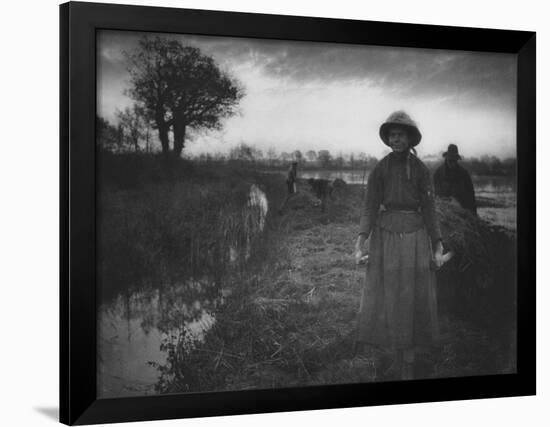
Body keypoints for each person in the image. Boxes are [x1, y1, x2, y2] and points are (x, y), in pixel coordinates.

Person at [353, 111, 446, 380]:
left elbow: (430, 209)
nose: (396, 139)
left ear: (409, 139)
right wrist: (361, 241)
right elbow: (370, 207)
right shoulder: (379, 169)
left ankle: (410, 358)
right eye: (392, 135)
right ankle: (393, 348)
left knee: (412, 294)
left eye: (401, 135)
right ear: (388, 138)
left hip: (416, 236)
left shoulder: (420, 171)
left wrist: (437, 244)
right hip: (385, 237)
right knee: (388, 292)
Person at [433, 144, 477, 215]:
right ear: (446, 159)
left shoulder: (464, 174)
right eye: (450, 160)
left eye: (454, 161)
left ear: (457, 160)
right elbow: (435, 193)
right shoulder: (438, 173)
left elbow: (471, 195)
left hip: (461, 208)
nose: (452, 163)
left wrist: (474, 213)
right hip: (444, 208)